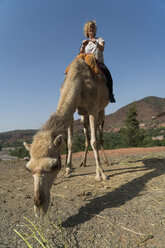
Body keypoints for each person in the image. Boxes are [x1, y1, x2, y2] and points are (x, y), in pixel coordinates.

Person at [80, 21, 116, 103]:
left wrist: (95, 42)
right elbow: (81, 53)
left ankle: (110, 94)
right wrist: (83, 46)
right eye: (89, 28)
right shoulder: (85, 43)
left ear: (94, 29)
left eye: (92, 27)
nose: (91, 29)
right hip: (88, 63)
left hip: (98, 63)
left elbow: (102, 49)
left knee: (108, 74)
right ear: (87, 31)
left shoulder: (99, 39)